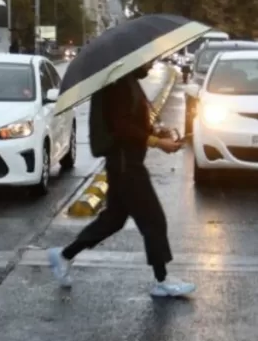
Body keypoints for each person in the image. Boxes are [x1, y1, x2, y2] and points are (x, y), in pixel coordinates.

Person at [47, 62, 196, 297]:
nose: (151, 64)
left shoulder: (128, 81)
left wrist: (158, 133)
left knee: (114, 220)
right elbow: (122, 127)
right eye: (149, 59)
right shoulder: (117, 84)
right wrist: (157, 142)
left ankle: (64, 255)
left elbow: (132, 123)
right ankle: (162, 279)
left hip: (125, 161)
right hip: (126, 164)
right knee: (154, 220)